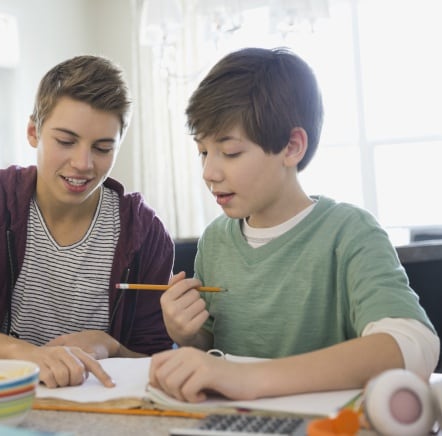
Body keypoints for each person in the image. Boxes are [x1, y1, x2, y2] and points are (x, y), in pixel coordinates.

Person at [150, 47, 440, 402]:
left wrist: (247, 378)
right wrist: (188, 333)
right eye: (203, 152)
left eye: (230, 152)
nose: (209, 172)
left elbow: (416, 345)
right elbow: (213, 344)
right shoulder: (215, 241)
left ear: (291, 147)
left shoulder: (349, 233)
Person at [0, 55, 175, 388]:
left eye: (102, 148)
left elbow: (154, 359)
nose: (83, 163)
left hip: (104, 411)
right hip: (6, 396)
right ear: (32, 132)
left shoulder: (145, 231)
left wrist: (111, 346)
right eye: (66, 142)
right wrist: (26, 354)